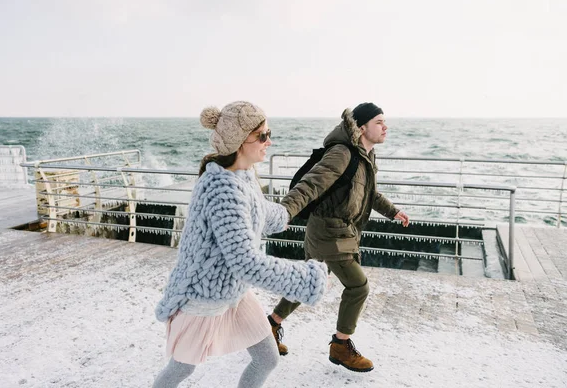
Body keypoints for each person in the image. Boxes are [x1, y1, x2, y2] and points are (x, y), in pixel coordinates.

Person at [153, 101, 328, 388]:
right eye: (261, 135)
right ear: (238, 141)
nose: (268, 140)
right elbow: (246, 262)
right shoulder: (223, 189)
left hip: (233, 291)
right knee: (181, 369)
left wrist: (286, 212)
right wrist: (308, 279)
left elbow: (258, 210)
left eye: (268, 132)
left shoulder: (242, 176)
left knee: (267, 358)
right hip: (204, 297)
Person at [267, 102, 410, 373]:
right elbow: (310, 184)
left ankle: (270, 326)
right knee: (358, 286)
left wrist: (394, 211)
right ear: (362, 127)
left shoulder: (365, 156)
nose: (385, 126)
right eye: (379, 121)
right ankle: (340, 345)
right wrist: (284, 211)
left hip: (333, 231)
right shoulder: (343, 153)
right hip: (330, 233)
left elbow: (369, 194)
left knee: (310, 283)